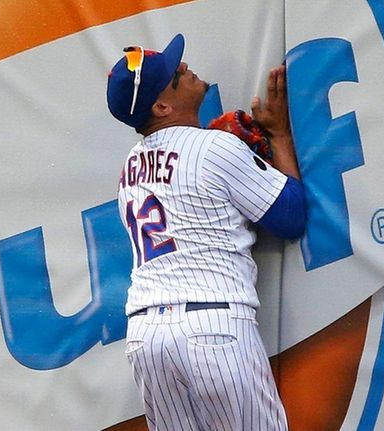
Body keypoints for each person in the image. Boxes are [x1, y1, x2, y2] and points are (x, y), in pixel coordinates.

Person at [106, 33, 305, 431]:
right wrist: (280, 136)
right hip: (212, 326)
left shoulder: (129, 166)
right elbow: (290, 217)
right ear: (161, 105)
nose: (181, 66)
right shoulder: (214, 148)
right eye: (172, 75)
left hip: (146, 338)